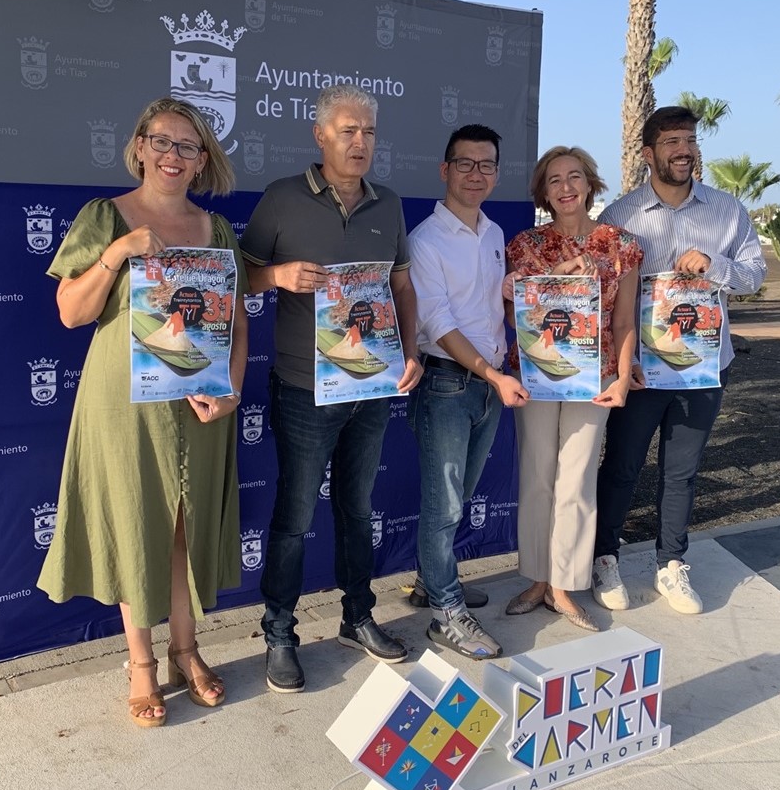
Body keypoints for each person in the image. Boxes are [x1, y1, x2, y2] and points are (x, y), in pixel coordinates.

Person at [37, 97, 248, 727]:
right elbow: (71, 312)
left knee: (185, 532)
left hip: (200, 403)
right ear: (139, 146)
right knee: (136, 523)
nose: (173, 155)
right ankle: (141, 667)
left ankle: (187, 652)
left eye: (188, 146)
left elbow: (236, 324)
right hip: (122, 403)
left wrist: (232, 391)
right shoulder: (105, 218)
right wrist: (119, 252)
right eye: (162, 141)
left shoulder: (218, 230)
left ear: (203, 158)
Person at [241, 84, 423, 693]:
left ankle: (357, 616)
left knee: (356, 508)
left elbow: (400, 286)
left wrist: (411, 349)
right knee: (293, 517)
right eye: (348, 131)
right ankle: (280, 631)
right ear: (320, 136)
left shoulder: (389, 203)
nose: (360, 142)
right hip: (302, 388)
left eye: (369, 132)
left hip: (370, 387)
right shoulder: (282, 198)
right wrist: (277, 274)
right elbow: (236, 274)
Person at [593, 106, 765, 614]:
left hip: (703, 366)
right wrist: (619, 365)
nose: (683, 150)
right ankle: (605, 557)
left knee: (681, 472)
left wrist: (717, 265)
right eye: (671, 142)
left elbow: (755, 276)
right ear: (649, 154)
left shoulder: (728, 211)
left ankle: (671, 564)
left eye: (689, 140)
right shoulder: (619, 216)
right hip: (641, 371)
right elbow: (601, 295)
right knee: (622, 467)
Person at [502, 146, 643, 631]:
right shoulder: (524, 245)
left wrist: (623, 378)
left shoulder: (620, 245)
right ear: (543, 191)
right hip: (537, 376)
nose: (565, 187)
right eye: (554, 180)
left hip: (595, 378)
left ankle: (564, 585)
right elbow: (514, 318)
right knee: (538, 475)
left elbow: (624, 321)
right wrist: (530, 285)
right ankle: (538, 578)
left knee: (577, 481)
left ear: (590, 184)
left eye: (575, 177)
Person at [406, 124, 529, 660]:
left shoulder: (496, 233)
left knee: (458, 496)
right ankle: (445, 614)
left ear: (497, 173)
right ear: (445, 170)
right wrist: (493, 374)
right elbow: (436, 321)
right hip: (448, 385)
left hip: (487, 383)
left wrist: (512, 306)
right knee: (446, 503)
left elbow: (488, 314)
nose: (476, 174)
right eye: (465, 164)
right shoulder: (424, 241)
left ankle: (429, 583)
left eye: (486, 165)